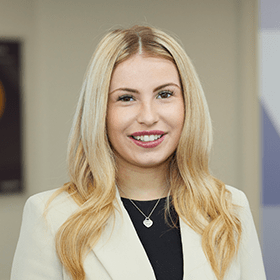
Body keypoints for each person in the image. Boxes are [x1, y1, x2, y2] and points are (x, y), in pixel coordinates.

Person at [11, 25, 266, 280]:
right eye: (126, 98)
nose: (148, 116)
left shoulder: (230, 209)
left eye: (164, 94)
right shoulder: (51, 216)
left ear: (188, 104)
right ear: (100, 112)